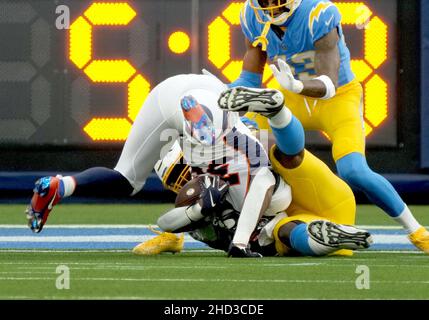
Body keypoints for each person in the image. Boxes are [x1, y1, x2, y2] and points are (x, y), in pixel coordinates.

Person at [26, 73, 303, 257]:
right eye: (178, 176)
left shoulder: (209, 218)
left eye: (177, 178)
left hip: (171, 98)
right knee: (219, 144)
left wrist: (199, 208)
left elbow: (168, 223)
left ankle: (63, 185)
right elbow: (262, 178)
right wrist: (241, 241)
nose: (181, 183)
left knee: (127, 180)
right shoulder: (250, 186)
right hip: (214, 108)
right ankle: (203, 119)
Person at [228, 0, 429, 252]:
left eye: (277, 2)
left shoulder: (318, 14)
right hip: (291, 98)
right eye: (265, 2)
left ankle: (417, 231)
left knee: (354, 170)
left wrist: (297, 85)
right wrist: (219, 93)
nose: (271, 8)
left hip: (337, 97)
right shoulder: (250, 14)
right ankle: (179, 230)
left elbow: (329, 83)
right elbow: (249, 78)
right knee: (235, 142)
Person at [133, 88, 373, 257]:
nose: (184, 181)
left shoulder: (230, 159)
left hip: (314, 195)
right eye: (175, 180)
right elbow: (166, 223)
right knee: (288, 233)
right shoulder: (194, 207)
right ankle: (336, 238)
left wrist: (239, 241)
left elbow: (260, 172)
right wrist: (200, 208)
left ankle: (277, 111)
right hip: (289, 223)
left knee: (284, 158)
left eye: (181, 171)